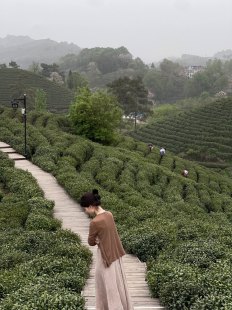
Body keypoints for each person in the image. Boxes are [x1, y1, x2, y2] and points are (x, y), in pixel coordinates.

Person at [80, 189, 133, 310]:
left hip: (105, 257)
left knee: (106, 286)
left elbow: (90, 242)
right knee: (118, 285)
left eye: (85, 208)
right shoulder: (109, 214)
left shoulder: (95, 222)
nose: (85, 211)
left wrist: (97, 239)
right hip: (116, 255)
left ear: (91, 206)